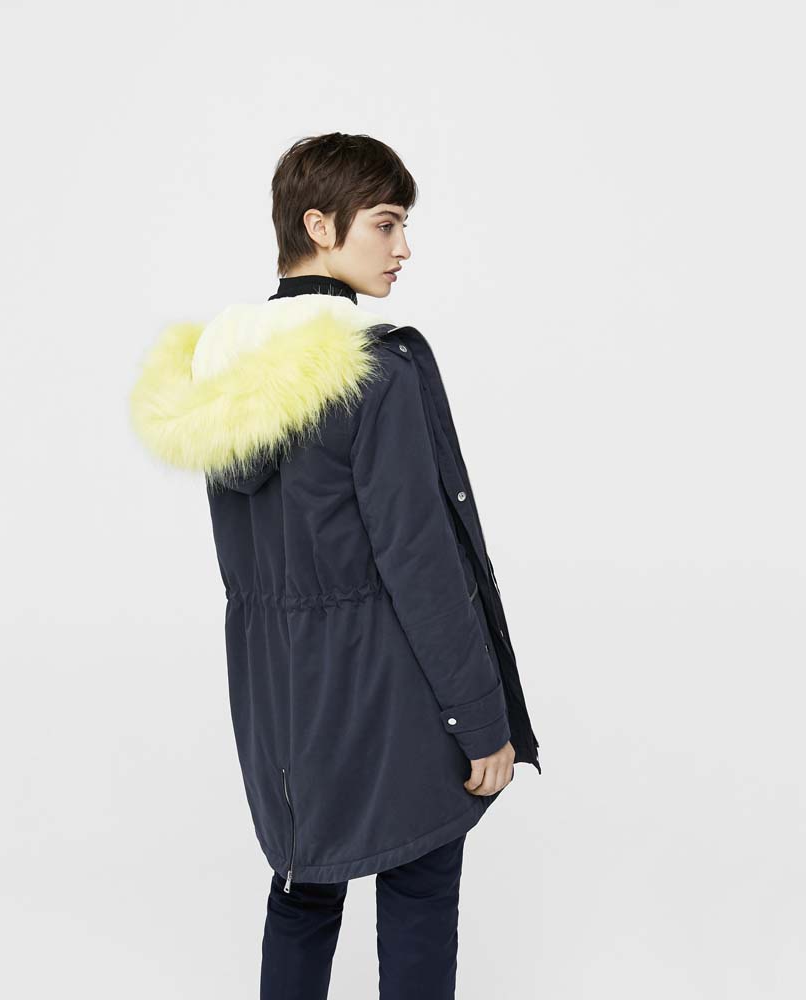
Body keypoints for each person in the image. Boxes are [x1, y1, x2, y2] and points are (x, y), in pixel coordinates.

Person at [129, 132, 541, 1000]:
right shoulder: (370, 372)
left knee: (303, 886)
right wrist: (481, 720)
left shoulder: (222, 372)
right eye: (385, 224)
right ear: (319, 225)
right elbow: (421, 561)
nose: (404, 248)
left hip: (280, 698)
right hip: (394, 690)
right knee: (421, 880)